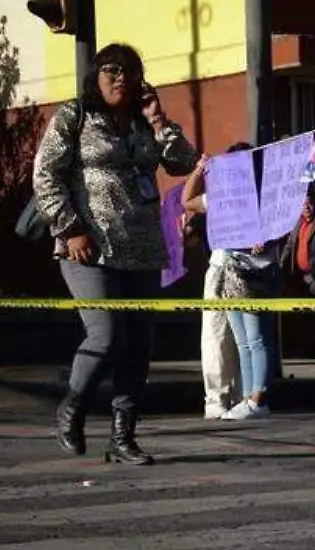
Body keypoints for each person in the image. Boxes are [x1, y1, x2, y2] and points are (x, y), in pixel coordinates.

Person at [35, 43, 198, 466]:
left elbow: (185, 163)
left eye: (128, 71)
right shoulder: (75, 116)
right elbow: (45, 175)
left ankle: (123, 436)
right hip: (88, 245)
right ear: (96, 76)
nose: (120, 77)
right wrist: (70, 228)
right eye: (111, 70)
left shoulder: (144, 125)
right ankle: (72, 408)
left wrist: (159, 120)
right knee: (107, 334)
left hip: (143, 248)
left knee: (138, 345)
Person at [183, 144, 280, 421]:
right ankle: (246, 398)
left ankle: (257, 399)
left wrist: (267, 240)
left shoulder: (265, 196)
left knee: (256, 338)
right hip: (228, 272)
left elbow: (282, 224)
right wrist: (200, 169)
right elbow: (187, 201)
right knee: (242, 341)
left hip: (255, 273)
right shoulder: (221, 196)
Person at [177, 199, 241, 419]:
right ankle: (217, 398)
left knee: (248, 339)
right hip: (223, 264)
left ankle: (243, 396)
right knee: (217, 335)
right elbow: (189, 202)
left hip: (252, 265)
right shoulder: (220, 185)